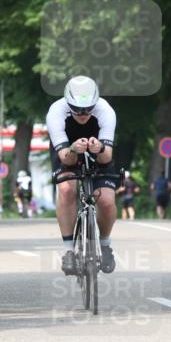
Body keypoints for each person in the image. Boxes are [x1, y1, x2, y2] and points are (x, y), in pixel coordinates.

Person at [47, 75, 118, 274]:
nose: (83, 114)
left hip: (98, 152)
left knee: (106, 201)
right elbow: (65, 159)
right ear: (68, 103)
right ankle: (69, 251)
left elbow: (106, 158)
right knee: (67, 189)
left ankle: (104, 245)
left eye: (88, 109)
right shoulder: (56, 112)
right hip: (67, 153)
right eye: (77, 109)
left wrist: (99, 148)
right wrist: (74, 150)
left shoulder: (105, 111)